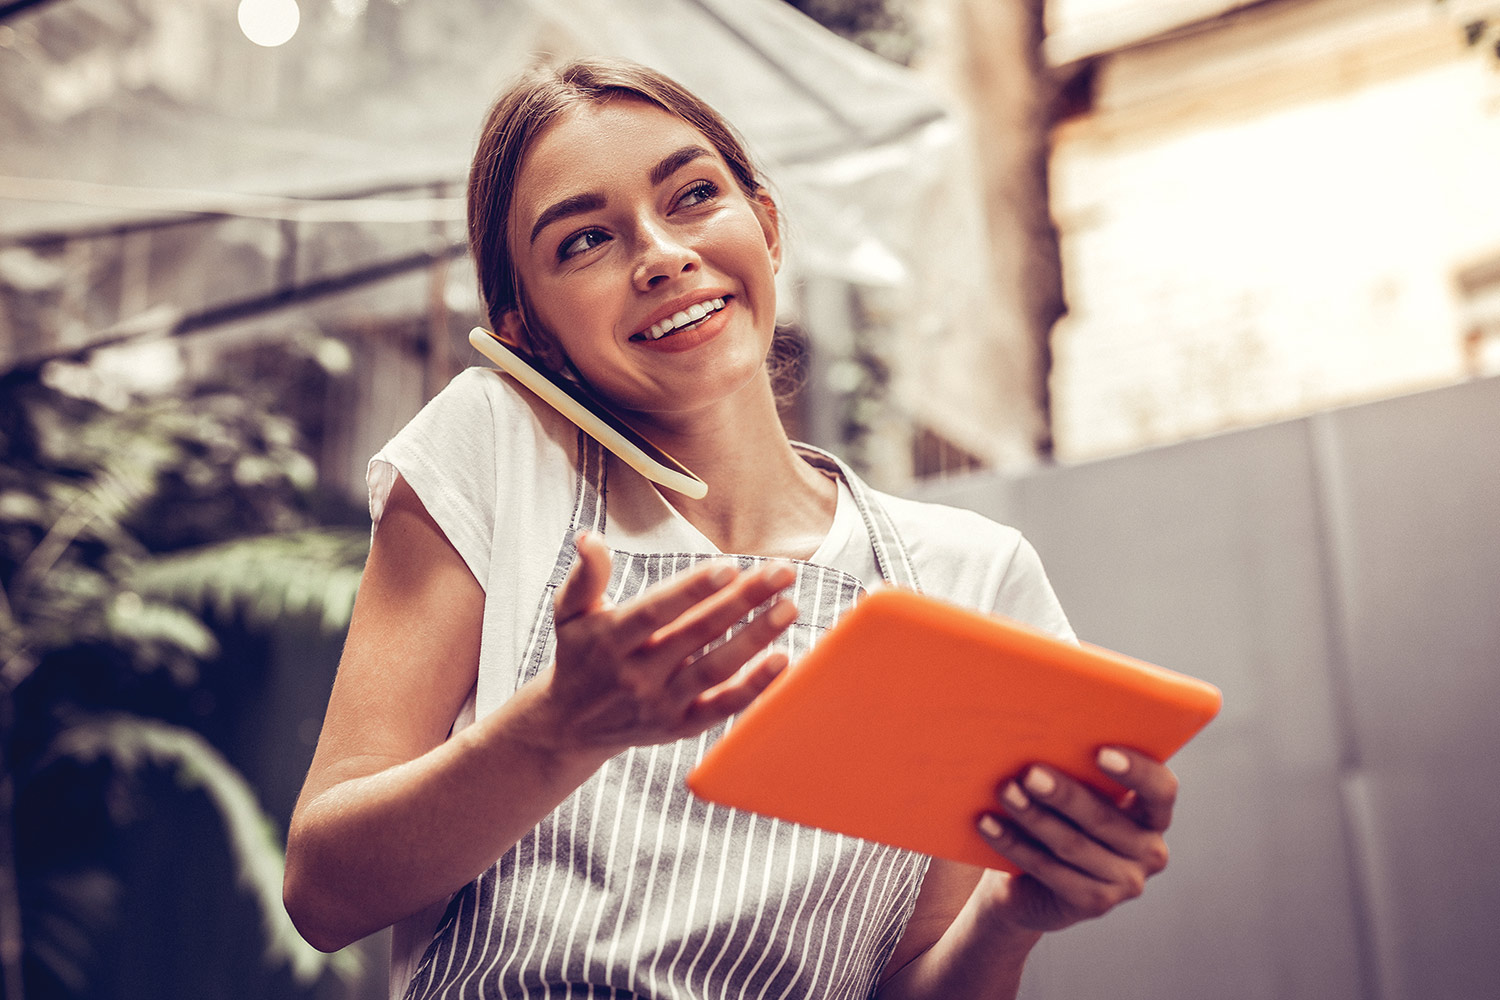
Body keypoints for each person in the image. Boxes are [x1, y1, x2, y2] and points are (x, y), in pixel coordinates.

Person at [283, 58, 1179, 1000]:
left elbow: (910, 983)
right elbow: (323, 892)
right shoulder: (494, 448)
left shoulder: (971, 578)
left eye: (695, 195)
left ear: (769, 226)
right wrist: (555, 732)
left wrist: (1008, 917)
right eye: (584, 241)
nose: (661, 253)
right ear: (525, 336)